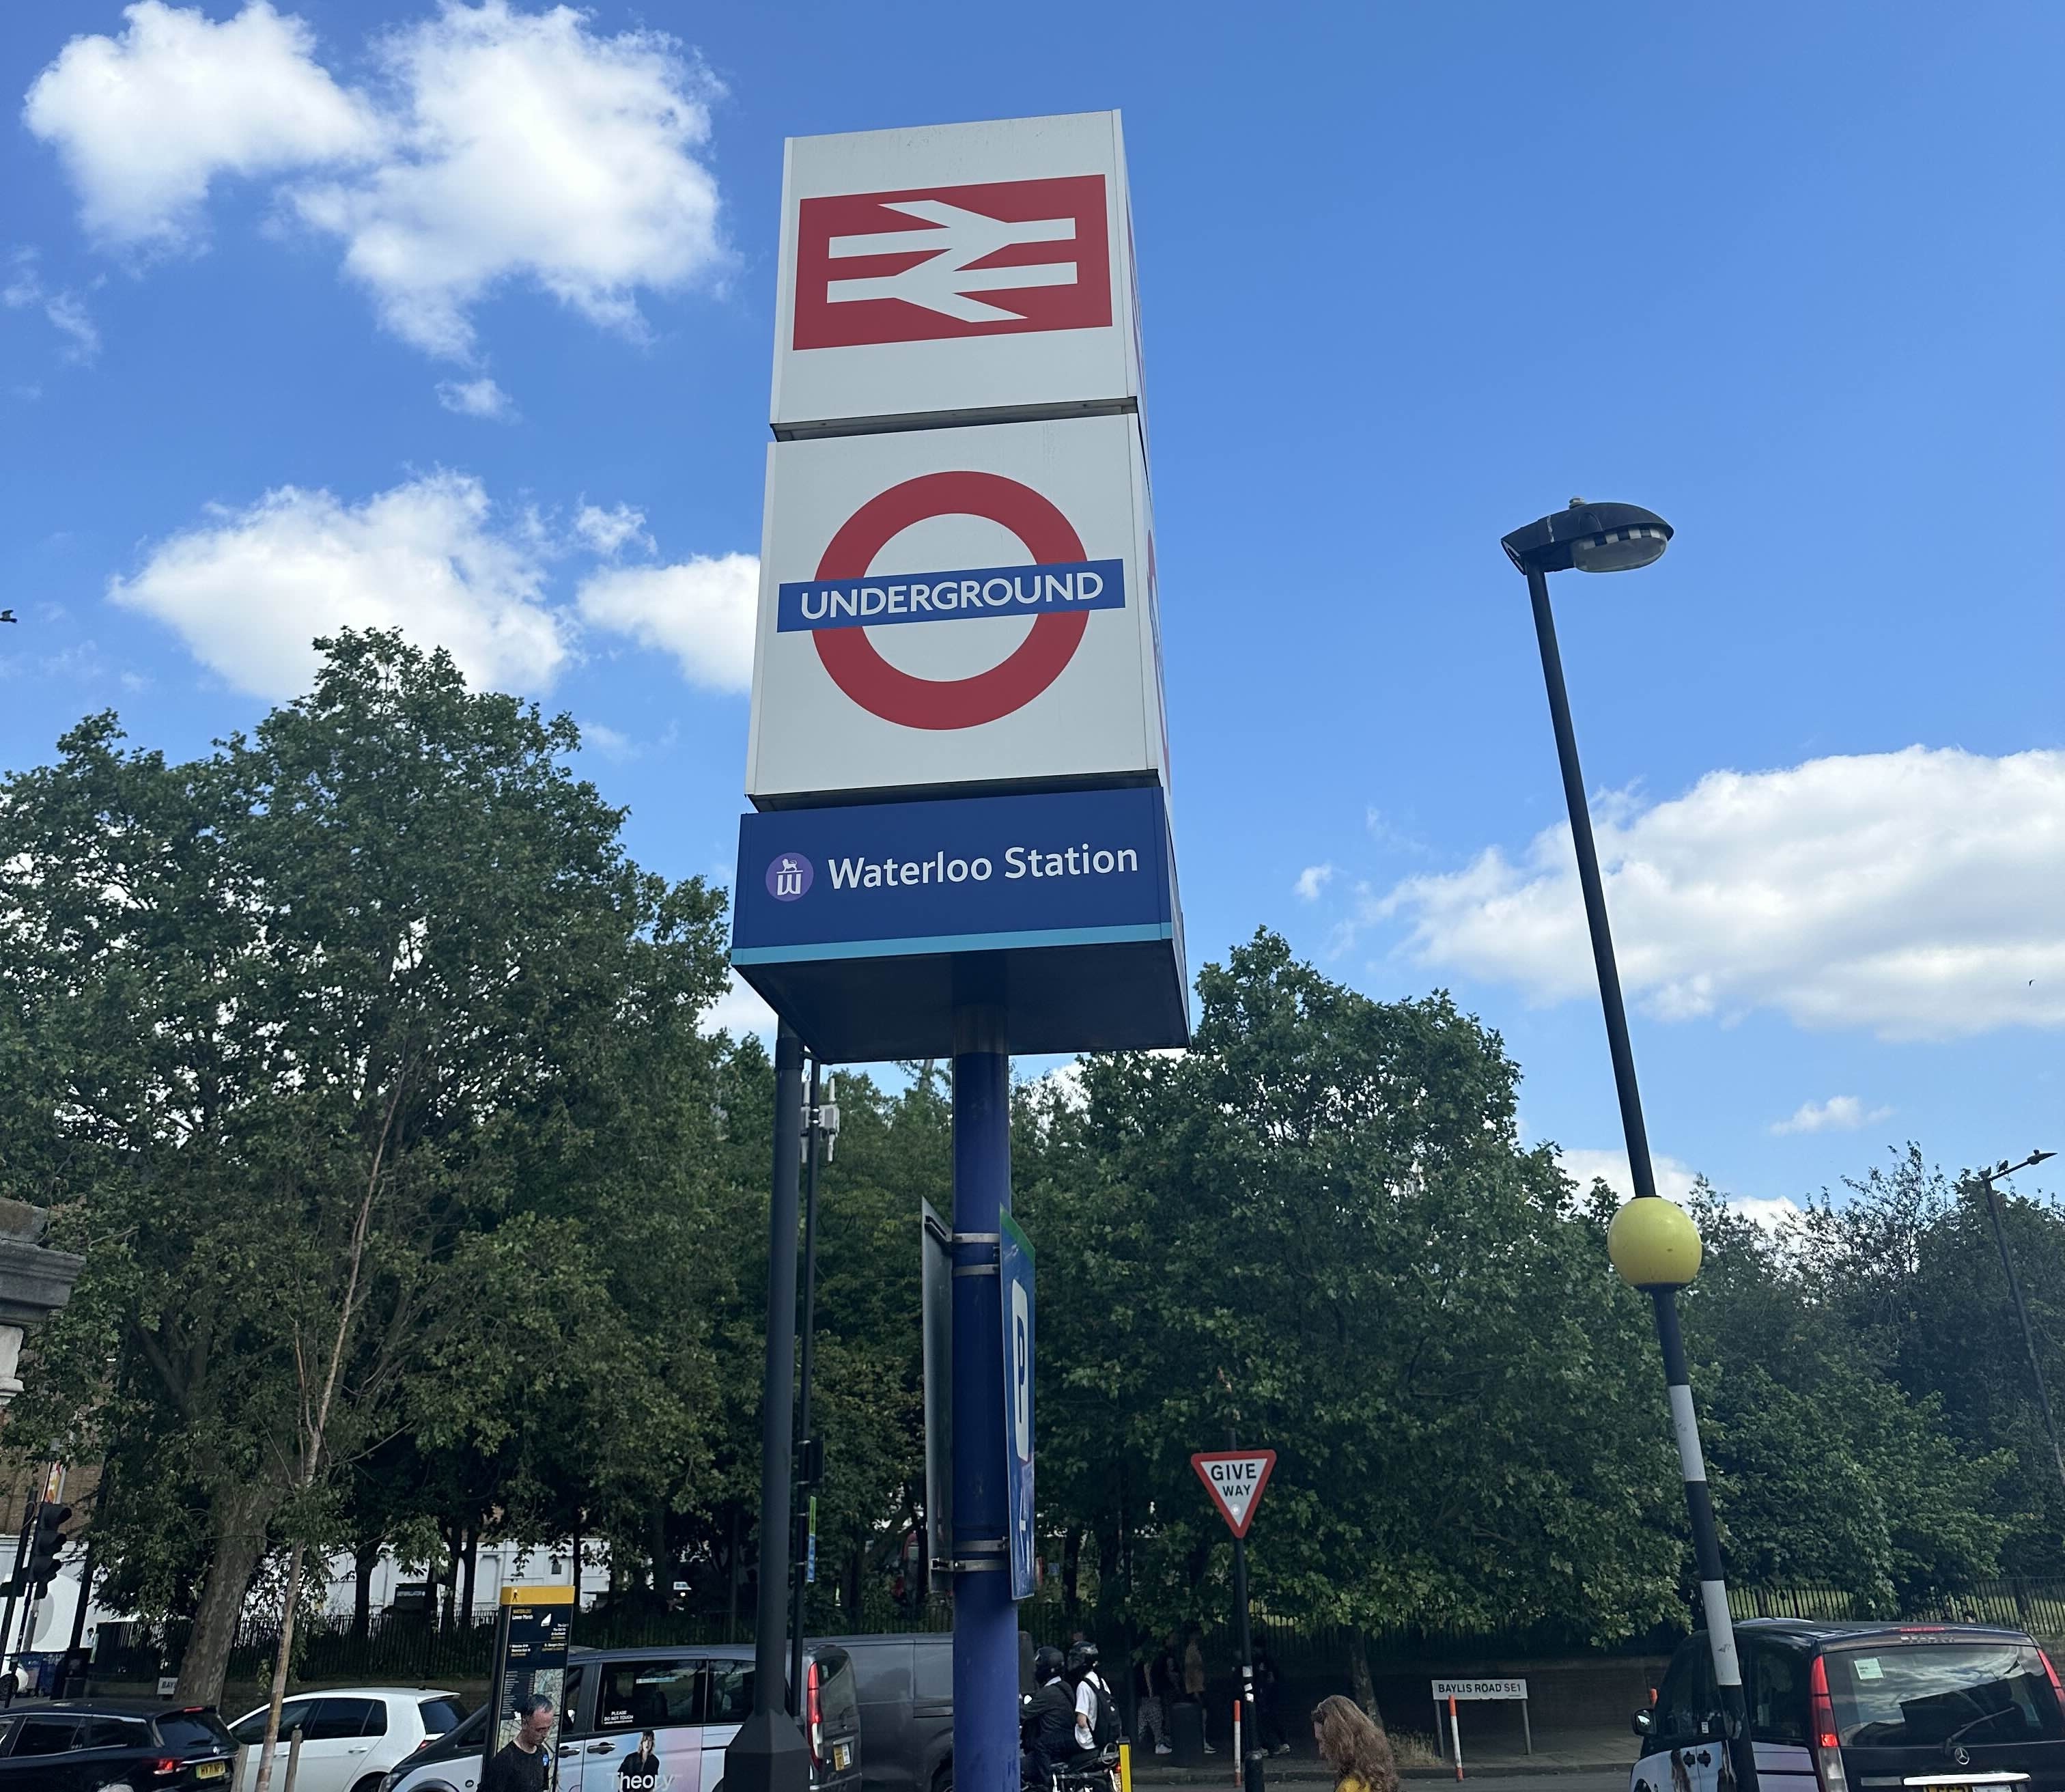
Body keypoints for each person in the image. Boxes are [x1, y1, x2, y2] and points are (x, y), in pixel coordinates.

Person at [1311, 1695, 1399, 1792]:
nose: (1321, 1750)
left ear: (1340, 1741)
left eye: (1323, 1741)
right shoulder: (1376, 1775)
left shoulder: (1349, 1788)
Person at [1024, 1646, 1078, 1790]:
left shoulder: (1048, 1693)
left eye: (1038, 1666)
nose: (1035, 1670)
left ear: (1046, 1668)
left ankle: (1046, 1784)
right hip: (1065, 1744)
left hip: (1052, 1750)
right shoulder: (1065, 1687)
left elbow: (1023, 1713)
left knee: (1020, 1769)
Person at [482, 1692, 557, 1792]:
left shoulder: (543, 1754)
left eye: (548, 1729)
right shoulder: (506, 1760)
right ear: (524, 1723)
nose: (545, 1735)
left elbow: (542, 1788)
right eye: (540, 1730)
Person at [1069, 1641, 1118, 1761]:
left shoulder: (1083, 1686)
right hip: (1103, 1737)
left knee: (1051, 1743)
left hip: (1087, 1741)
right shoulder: (1101, 1682)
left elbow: (1082, 1721)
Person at [1183, 1627, 1216, 1754]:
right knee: (1201, 1716)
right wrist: (1194, 1689)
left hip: (1198, 1686)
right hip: (1196, 1687)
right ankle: (1202, 1742)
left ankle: (1202, 1741)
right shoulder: (1191, 1650)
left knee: (1203, 1716)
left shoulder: (1194, 1649)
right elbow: (1190, 1670)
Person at [1253, 1645, 1288, 1755]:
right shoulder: (1267, 1660)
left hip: (1267, 1695)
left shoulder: (1263, 1661)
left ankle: (1268, 1746)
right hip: (1269, 1695)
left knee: (1267, 1720)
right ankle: (1279, 1744)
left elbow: (1270, 1678)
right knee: (1272, 1719)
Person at [1134, 1651, 1170, 1757]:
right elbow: (1148, 1677)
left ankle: (1136, 1744)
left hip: (1145, 1698)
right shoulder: (1149, 1665)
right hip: (1151, 1698)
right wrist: (1151, 1693)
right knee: (1156, 1721)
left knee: (1142, 1723)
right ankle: (1159, 1744)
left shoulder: (1140, 1665)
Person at [619, 1728, 664, 1792]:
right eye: (645, 1741)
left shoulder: (655, 1761)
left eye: (650, 1741)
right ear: (641, 1742)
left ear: (652, 1743)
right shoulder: (630, 1758)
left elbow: (652, 1783)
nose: (647, 1744)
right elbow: (621, 1776)